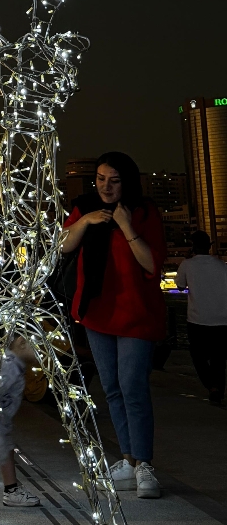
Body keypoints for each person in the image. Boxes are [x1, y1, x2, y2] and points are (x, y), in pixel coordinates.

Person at [62, 151, 166, 499]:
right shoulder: (84, 206)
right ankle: (127, 459)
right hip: (97, 313)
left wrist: (125, 225)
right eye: (101, 179)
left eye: (115, 180)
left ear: (129, 181)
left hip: (136, 313)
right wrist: (84, 222)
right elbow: (62, 247)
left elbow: (151, 264)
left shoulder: (144, 212)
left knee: (133, 387)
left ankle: (144, 464)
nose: (106, 186)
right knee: (112, 390)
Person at [176, 231, 227, 406]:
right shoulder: (222, 266)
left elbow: (180, 286)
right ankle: (218, 388)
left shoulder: (187, 265)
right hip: (222, 319)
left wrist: (187, 259)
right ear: (209, 246)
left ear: (193, 246)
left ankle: (211, 386)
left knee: (198, 355)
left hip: (197, 319)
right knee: (219, 357)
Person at [0, 334, 40, 507]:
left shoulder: (7, 361)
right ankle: (11, 491)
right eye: (38, 349)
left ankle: (11, 487)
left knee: (4, 450)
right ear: (21, 342)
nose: (41, 355)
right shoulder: (10, 366)